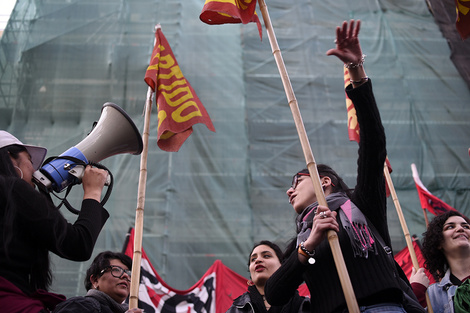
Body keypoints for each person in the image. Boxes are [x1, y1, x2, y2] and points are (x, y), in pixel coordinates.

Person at [264, 20, 415, 313]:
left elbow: (373, 143)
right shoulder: (302, 240)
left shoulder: (362, 206)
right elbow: (276, 292)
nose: (289, 190)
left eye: (298, 181)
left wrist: (357, 70)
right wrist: (309, 245)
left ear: (324, 182)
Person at [0, 130, 110, 312]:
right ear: (10, 157)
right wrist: (93, 192)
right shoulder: (12, 188)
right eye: (29, 160)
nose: (34, 170)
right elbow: (78, 244)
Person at [410, 210, 470, 313]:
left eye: (466, 227)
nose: (460, 228)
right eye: (450, 227)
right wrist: (416, 291)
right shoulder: (431, 295)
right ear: (438, 243)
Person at [226, 240, 310, 313]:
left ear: (283, 266)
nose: (258, 260)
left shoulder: (306, 306)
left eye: (266, 256)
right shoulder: (236, 309)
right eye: (253, 259)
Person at [53, 251, 143, 313]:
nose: (125, 276)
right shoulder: (81, 306)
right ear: (95, 280)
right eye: (116, 270)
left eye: (129, 273)